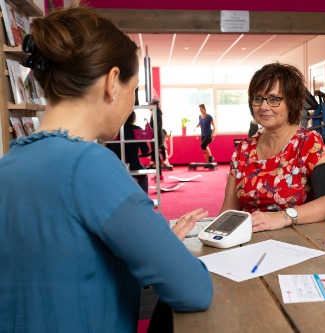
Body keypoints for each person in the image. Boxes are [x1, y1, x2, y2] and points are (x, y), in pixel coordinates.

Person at [0, 4, 212, 333]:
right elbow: (193, 290)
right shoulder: (89, 165)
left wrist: (152, 242)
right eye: (134, 89)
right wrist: (168, 253)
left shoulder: (10, 163)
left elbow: (59, 266)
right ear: (113, 81)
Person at [219, 62, 325, 232]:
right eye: (258, 98)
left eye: (274, 99)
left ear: (291, 103)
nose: (264, 107)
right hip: (248, 242)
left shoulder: (308, 144)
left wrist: (283, 218)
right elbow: (229, 211)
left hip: (298, 240)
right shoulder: (243, 150)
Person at [107, 111, 150, 193]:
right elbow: (145, 151)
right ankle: (144, 197)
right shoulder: (137, 130)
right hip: (134, 167)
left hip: (117, 167)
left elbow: (108, 151)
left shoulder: (113, 131)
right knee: (143, 172)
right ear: (133, 118)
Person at [147, 98, 165, 169]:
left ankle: (159, 174)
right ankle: (159, 174)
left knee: (156, 155)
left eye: (150, 104)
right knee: (155, 155)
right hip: (156, 135)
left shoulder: (157, 113)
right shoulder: (155, 112)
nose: (148, 106)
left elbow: (156, 127)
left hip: (157, 136)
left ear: (153, 104)